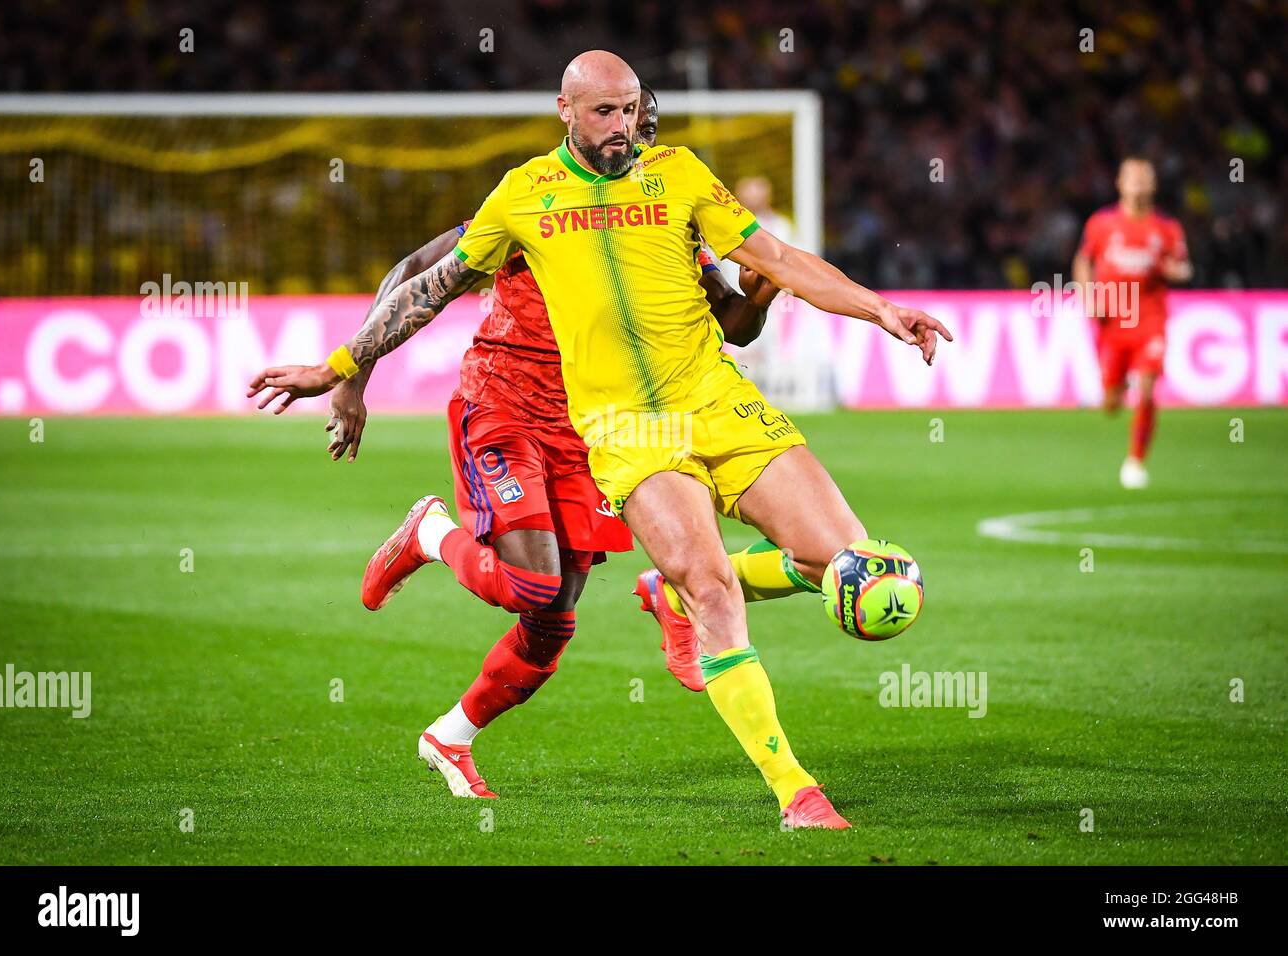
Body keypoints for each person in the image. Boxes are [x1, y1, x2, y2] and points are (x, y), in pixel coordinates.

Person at [249, 50, 951, 829]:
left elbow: (772, 269)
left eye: (632, 112)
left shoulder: (680, 175)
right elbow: (430, 282)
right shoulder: (525, 193)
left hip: (716, 399)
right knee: (699, 594)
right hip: (622, 428)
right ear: (567, 111)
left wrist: (879, 308)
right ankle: (797, 794)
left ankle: (662, 590)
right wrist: (342, 368)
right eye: (607, 114)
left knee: (841, 559)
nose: (624, 129)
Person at [1073, 157, 1191, 489]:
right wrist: (1087, 295)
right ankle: (1116, 389)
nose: (1138, 184)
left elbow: (1184, 267)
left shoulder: (1166, 228)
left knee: (1148, 386)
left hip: (1150, 319)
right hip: (1112, 322)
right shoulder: (1101, 223)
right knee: (1111, 402)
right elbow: (1083, 260)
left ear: (1153, 185)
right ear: (1120, 184)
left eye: (1144, 178)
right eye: (1132, 178)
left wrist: (1172, 271)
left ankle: (1136, 460)